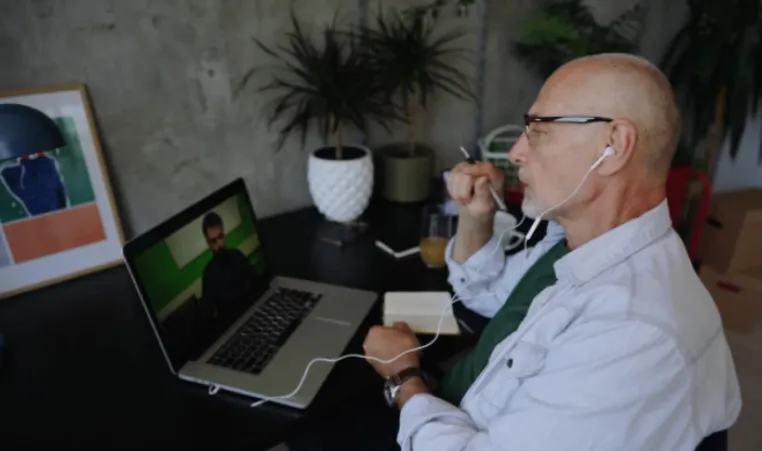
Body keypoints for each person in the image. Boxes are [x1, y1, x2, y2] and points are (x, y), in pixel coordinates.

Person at [361, 53, 741, 450]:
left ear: (613, 145)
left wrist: (404, 376)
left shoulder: (631, 333)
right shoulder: (584, 244)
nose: (516, 153)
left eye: (538, 131)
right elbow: (492, 295)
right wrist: (477, 216)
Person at [201, 212, 257, 320]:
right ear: (208, 243)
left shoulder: (237, 255)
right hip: (229, 323)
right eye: (213, 241)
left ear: (224, 234)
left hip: (251, 311)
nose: (219, 244)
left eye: (220, 237)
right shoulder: (208, 274)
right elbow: (207, 314)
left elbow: (255, 279)